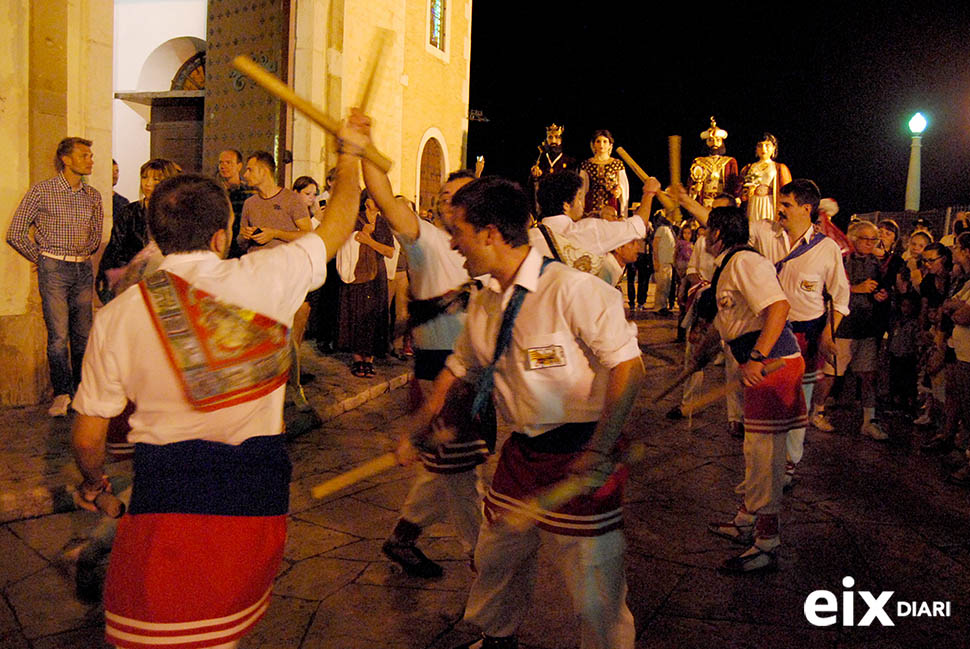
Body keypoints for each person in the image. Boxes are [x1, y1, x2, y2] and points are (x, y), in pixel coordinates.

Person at [70, 114, 365, 649]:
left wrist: (95, 485)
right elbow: (338, 224)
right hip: (254, 500)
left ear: (156, 233)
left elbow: (89, 438)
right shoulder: (267, 277)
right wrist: (350, 157)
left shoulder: (118, 314)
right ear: (223, 233)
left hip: (164, 501)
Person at [401, 176, 643, 648]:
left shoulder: (573, 290)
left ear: (491, 233)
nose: (453, 244)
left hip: (581, 454)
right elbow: (462, 367)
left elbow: (628, 368)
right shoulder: (487, 300)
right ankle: (498, 637)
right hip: (522, 455)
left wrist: (599, 448)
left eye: (460, 232)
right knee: (497, 557)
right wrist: (423, 423)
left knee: (594, 584)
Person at [360, 155, 489, 578]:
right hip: (442, 379)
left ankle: (403, 537)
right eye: (448, 198)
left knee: (447, 468)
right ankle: (483, 558)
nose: (452, 206)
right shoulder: (427, 239)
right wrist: (365, 152)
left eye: (465, 198)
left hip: (472, 377)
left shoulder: (485, 253)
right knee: (462, 477)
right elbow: (385, 197)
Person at [699, 206, 806, 574]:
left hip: (773, 368)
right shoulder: (729, 265)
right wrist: (706, 348)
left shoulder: (745, 262)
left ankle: (767, 540)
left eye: (705, 230)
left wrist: (758, 357)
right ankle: (747, 519)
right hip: (757, 366)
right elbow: (731, 318)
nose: (702, 237)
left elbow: (778, 307)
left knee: (765, 455)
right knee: (753, 448)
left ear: (717, 234)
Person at [6, 136, 103, 416]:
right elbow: (16, 232)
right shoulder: (43, 191)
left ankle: (82, 390)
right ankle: (62, 393)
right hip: (55, 269)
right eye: (84, 155)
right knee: (59, 336)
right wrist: (42, 259)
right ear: (66, 159)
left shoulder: (93, 195)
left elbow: (96, 234)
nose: (90, 160)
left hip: (83, 268)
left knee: (83, 334)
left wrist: (85, 252)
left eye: (90, 155)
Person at [812, 220, 888, 440]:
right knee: (831, 372)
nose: (870, 243)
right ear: (853, 237)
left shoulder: (875, 263)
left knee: (868, 374)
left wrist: (878, 295)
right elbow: (828, 289)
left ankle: (869, 420)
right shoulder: (841, 259)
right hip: (843, 326)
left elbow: (877, 287)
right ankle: (817, 411)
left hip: (866, 326)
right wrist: (857, 288)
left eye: (874, 239)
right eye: (865, 238)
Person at [98, 158, 180, 302]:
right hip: (132, 283)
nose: (148, 183)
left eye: (156, 179)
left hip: (166, 283)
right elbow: (115, 248)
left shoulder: (178, 214)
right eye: (144, 177)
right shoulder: (129, 212)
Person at [335, 193, 398, 377]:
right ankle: (357, 360)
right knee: (356, 313)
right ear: (366, 200)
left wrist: (369, 240)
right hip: (357, 273)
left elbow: (390, 251)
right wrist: (359, 236)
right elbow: (345, 241)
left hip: (377, 274)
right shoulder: (354, 218)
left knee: (374, 315)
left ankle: (369, 360)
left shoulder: (382, 222)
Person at [688, 117, 740, 207]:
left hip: (723, 200)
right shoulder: (699, 162)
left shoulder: (730, 162)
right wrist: (695, 189)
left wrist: (736, 196)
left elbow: (734, 183)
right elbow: (691, 184)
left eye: (718, 140)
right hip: (705, 200)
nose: (714, 143)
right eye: (711, 140)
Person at [740, 133, 792, 222]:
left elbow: (788, 192)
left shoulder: (778, 168)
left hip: (770, 203)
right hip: (753, 203)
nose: (763, 149)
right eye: (760, 146)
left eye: (767, 145)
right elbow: (740, 189)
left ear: (774, 148)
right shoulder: (749, 168)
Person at [579, 129, 630, 218]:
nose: (601, 145)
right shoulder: (587, 164)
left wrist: (618, 192)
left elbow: (624, 187)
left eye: (605, 142)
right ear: (593, 144)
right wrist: (580, 209)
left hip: (611, 203)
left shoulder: (617, 164)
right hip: (592, 204)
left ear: (610, 145)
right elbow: (582, 188)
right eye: (598, 141)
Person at [529, 123, 576, 209]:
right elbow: (532, 187)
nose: (553, 141)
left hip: (561, 204)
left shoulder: (569, 161)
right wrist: (535, 177)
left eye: (557, 137)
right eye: (550, 137)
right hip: (543, 204)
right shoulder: (540, 160)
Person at [217, 148, 253, 258]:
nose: (224, 166)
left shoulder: (248, 191)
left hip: (242, 246)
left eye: (228, 162)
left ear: (239, 166)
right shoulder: (215, 191)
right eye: (221, 163)